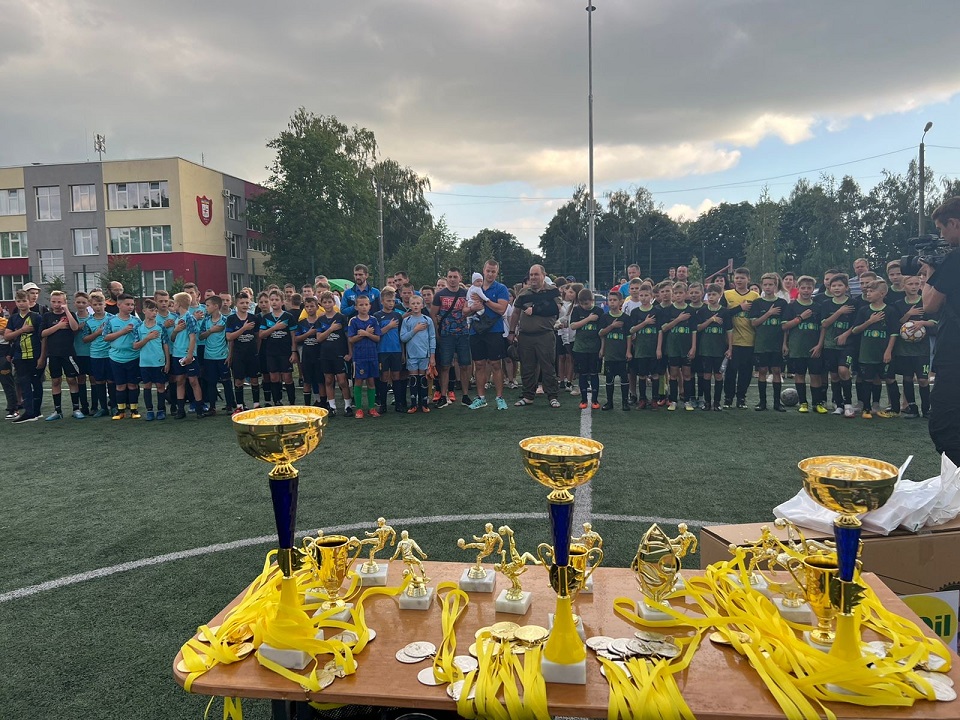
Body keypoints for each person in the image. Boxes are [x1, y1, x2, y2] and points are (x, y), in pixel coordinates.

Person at [924, 197, 960, 463]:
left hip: (955, 352)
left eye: (941, 229)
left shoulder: (955, 259)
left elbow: (929, 305)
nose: (942, 236)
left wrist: (929, 271)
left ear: (954, 223)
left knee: (945, 424)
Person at [509, 264, 561, 407]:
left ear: (543, 275)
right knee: (527, 367)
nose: (533, 277)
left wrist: (536, 309)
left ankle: (552, 396)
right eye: (531, 275)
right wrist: (512, 332)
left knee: (548, 366)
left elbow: (557, 309)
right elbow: (516, 313)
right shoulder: (523, 293)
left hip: (545, 334)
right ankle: (528, 396)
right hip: (525, 336)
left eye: (536, 274)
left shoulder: (552, 291)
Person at [849, 280, 900, 419]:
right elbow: (855, 330)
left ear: (882, 293)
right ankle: (866, 408)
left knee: (889, 378)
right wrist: (870, 322)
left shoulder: (890, 311)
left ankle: (895, 409)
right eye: (867, 291)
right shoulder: (864, 310)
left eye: (871, 291)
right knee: (867, 379)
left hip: (884, 352)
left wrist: (888, 351)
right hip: (867, 353)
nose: (868, 293)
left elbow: (894, 333)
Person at [465, 259, 510, 411]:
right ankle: (481, 398)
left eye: (493, 271)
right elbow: (464, 311)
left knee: (496, 364)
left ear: (497, 273)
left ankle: (499, 397)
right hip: (476, 330)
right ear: (483, 271)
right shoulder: (473, 288)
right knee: (479, 364)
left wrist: (485, 301)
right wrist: (473, 308)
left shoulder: (501, 288)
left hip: (494, 330)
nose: (490, 274)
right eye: (488, 271)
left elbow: (501, 309)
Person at [782, 275, 827, 414]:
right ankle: (803, 403)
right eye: (803, 288)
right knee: (799, 374)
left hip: (814, 348)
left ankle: (817, 403)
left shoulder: (818, 307)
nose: (806, 290)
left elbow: (823, 327)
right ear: (798, 288)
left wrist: (819, 345)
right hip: (797, 347)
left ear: (813, 289)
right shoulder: (791, 306)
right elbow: (784, 327)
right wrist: (800, 318)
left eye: (809, 288)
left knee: (815, 375)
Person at [893, 274, 933, 419]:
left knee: (922, 379)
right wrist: (908, 314)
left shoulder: (926, 302)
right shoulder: (898, 304)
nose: (914, 287)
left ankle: (926, 409)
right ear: (904, 286)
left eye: (917, 284)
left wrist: (922, 323)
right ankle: (912, 408)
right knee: (908, 378)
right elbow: (896, 323)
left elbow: (934, 322)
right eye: (910, 284)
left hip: (922, 349)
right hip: (904, 349)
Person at [38, 290, 82, 420]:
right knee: (55, 381)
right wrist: (58, 326)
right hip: (53, 354)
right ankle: (57, 410)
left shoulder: (70, 314)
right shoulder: (47, 316)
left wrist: (66, 311)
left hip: (68, 353)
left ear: (64, 302)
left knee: (71, 380)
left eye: (59, 302)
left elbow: (75, 328)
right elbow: (42, 333)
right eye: (54, 302)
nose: (56, 304)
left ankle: (76, 408)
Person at [749, 273, 788, 412]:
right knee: (762, 371)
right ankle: (762, 402)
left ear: (776, 285)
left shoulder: (782, 303)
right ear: (761, 285)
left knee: (777, 371)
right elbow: (754, 323)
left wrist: (784, 343)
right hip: (762, 343)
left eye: (770, 284)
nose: (767, 287)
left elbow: (785, 326)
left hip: (777, 343)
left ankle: (777, 403)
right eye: (765, 285)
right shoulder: (757, 303)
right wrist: (769, 313)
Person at [432, 267, 471, 408]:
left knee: (465, 365)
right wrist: (436, 332)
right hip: (446, 334)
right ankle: (443, 395)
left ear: (460, 278)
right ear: (446, 278)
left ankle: (465, 395)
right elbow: (433, 314)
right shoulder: (440, 295)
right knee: (445, 366)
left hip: (463, 333)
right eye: (450, 277)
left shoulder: (466, 294)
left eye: (455, 277)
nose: (452, 279)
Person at [722, 267, 760, 408]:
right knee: (731, 371)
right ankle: (728, 398)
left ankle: (741, 398)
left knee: (746, 372)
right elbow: (722, 314)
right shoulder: (727, 294)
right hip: (732, 341)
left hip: (749, 339)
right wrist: (739, 308)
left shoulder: (755, 296)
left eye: (742, 278)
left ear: (748, 279)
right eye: (737, 277)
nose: (739, 280)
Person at [4, 289, 44, 422]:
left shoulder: (36, 317)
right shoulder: (13, 318)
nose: (21, 304)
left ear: (29, 301)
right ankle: (29, 411)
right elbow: (7, 336)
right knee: (24, 383)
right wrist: (22, 330)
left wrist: (42, 356)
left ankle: (37, 411)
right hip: (19, 356)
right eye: (18, 301)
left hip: (34, 355)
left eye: (24, 301)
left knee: (36, 383)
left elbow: (43, 338)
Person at [102, 293, 143, 420]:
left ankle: (134, 410)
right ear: (119, 305)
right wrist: (123, 331)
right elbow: (106, 337)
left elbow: (141, 337)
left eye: (132, 304)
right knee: (120, 385)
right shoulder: (110, 320)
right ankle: (120, 411)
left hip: (133, 357)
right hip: (116, 358)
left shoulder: (136, 321)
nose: (130, 307)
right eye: (127, 304)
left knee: (132, 385)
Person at [821, 274, 857, 417]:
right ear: (829, 288)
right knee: (834, 375)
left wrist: (846, 335)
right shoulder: (826, 304)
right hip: (830, 345)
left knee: (843, 370)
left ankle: (848, 404)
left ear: (846, 287)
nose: (836, 288)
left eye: (840, 285)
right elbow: (825, 324)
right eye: (834, 286)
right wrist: (839, 312)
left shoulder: (853, 303)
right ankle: (839, 404)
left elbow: (857, 324)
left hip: (848, 345)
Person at [658, 282, 697, 410]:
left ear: (686, 294)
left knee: (687, 374)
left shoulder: (691, 310)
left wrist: (693, 347)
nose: (678, 295)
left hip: (686, 347)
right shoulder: (668, 310)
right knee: (673, 374)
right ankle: (673, 401)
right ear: (673, 295)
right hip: (673, 347)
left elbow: (694, 331)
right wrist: (678, 319)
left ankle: (687, 401)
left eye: (681, 293)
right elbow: (664, 328)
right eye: (676, 293)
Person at [169, 291, 206, 419]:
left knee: (193, 380)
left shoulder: (189, 318)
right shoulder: (177, 318)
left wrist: (190, 355)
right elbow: (173, 338)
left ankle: (199, 409)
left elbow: (193, 337)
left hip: (188, 354)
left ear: (179, 304)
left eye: (174, 302)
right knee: (179, 380)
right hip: (177, 354)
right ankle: (181, 410)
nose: (172, 305)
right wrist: (175, 331)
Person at [132, 298, 170, 420]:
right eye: (151, 310)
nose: (154, 313)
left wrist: (167, 362)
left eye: (155, 311)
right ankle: (149, 410)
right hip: (145, 362)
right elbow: (135, 345)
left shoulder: (160, 327)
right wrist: (148, 338)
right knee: (147, 386)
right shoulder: (138, 327)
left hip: (158, 362)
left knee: (160, 386)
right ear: (144, 311)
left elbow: (165, 344)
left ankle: (161, 410)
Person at [316, 291, 352, 416]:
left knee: (342, 381)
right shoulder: (320, 320)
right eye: (324, 302)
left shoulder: (341, 318)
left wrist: (350, 353)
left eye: (329, 302)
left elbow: (348, 337)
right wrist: (330, 329)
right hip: (325, 354)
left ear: (334, 302)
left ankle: (348, 406)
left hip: (339, 354)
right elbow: (319, 338)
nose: (327, 304)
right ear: (321, 304)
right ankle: (332, 407)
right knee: (328, 380)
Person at [259, 289, 297, 407]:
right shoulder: (266, 317)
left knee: (287, 377)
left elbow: (293, 336)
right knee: (274, 377)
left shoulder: (288, 316)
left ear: (282, 302)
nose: (274, 302)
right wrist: (274, 328)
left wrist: (294, 352)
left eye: (277, 299)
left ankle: (292, 402)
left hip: (285, 352)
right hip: (271, 352)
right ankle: (277, 401)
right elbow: (261, 335)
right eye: (272, 300)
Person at [696, 283, 731, 411]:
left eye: (714, 294)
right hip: (705, 348)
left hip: (719, 349)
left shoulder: (725, 311)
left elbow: (729, 331)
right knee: (706, 375)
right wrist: (711, 320)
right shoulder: (703, 311)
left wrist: (730, 348)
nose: (711, 297)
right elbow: (698, 328)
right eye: (709, 294)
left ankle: (717, 402)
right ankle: (707, 402)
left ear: (720, 295)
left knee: (718, 375)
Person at [199, 295, 236, 416]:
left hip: (222, 356)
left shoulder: (225, 320)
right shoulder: (206, 321)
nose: (206, 308)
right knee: (211, 382)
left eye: (208, 305)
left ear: (215, 306)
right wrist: (211, 330)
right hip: (209, 356)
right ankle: (212, 407)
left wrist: (230, 355)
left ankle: (230, 405)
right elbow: (201, 336)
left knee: (226, 381)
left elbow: (230, 339)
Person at [225, 291, 262, 411]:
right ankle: (239, 406)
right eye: (242, 303)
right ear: (236, 304)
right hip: (238, 355)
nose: (245, 305)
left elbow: (258, 337)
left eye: (247, 302)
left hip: (252, 354)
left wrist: (257, 351)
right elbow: (229, 337)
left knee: (254, 380)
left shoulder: (254, 318)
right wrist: (243, 328)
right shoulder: (231, 319)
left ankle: (256, 405)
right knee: (239, 381)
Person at [346, 294, 381, 418]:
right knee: (358, 382)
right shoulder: (353, 321)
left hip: (372, 356)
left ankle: (371, 408)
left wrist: (366, 333)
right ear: (356, 307)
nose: (364, 307)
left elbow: (377, 338)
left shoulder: (374, 320)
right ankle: (359, 409)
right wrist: (364, 334)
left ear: (370, 306)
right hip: (359, 357)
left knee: (371, 382)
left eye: (366, 304)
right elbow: (351, 339)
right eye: (361, 305)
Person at [400, 295, 436, 413]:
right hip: (412, 355)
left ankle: (424, 403)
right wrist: (415, 330)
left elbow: (432, 338)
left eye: (418, 303)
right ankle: (413, 404)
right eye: (413, 303)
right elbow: (403, 338)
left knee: (423, 379)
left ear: (422, 305)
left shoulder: (427, 320)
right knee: (413, 379)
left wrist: (432, 355)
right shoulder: (406, 321)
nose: (415, 306)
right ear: (410, 305)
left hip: (424, 354)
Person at [570, 288, 602, 409]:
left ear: (592, 300)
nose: (584, 306)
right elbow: (573, 326)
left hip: (594, 348)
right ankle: (583, 399)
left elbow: (602, 331)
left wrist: (602, 348)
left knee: (594, 374)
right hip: (580, 348)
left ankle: (595, 400)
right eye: (582, 304)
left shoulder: (598, 311)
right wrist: (588, 319)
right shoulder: (576, 310)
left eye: (586, 303)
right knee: (582, 374)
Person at [599, 290, 631, 411]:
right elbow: (601, 334)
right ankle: (609, 402)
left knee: (624, 379)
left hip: (622, 354)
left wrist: (628, 351)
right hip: (610, 355)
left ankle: (625, 402)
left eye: (615, 300)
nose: (612, 302)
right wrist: (612, 326)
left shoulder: (625, 318)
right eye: (610, 300)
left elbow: (629, 336)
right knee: (609, 379)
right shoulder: (605, 317)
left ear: (620, 302)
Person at [374, 287, 405, 413]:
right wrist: (389, 326)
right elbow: (376, 334)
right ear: (382, 301)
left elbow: (401, 335)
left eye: (393, 301)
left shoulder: (398, 315)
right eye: (388, 301)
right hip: (382, 351)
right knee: (384, 376)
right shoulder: (377, 316)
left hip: (396, 350)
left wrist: (403, 352)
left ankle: (398, 403)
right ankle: (383, 404)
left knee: (396, 376)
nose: (391, 303)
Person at [83, 292, 112, 417]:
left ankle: (114, 406)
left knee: (111, 381)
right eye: (95, 305)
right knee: (99, 381)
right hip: (96, 355)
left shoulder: (112, 318)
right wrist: (98, 333)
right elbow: (85, 339)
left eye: (100, 304)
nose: (98, 307)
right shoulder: (88, 321)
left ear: (105, 304)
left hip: (111, 354)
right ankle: (103, 408)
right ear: (91, 305)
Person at [295, 296, 325, 409]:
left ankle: (322, 403)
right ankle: (307, 406)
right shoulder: (302, 323)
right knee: (307, 381)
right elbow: (296, 339)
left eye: (312, 306)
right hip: (307, 355)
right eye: (307, 307)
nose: (309, 308)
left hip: (319, 354)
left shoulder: (321, 321)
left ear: (317, 307)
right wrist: (308, 333)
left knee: (320, 381)